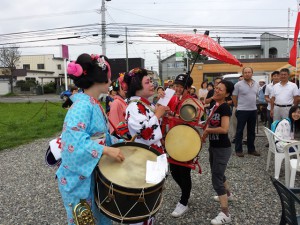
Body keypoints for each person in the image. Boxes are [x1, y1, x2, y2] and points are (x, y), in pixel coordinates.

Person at [56, 53, 125, 225]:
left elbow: (100, 138)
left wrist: (121, 144)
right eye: (108, 77)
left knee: (100, 214)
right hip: (78, 177)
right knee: (84, 219)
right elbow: (74, 142)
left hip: (90, 170)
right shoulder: (82, 106)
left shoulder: (92, 103)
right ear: (99, 78)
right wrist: (107, 150)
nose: (111, 81)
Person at [123, 67, 168, 225]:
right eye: (147, 82)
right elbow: (145, 133)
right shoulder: (134, 107)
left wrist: (159, 110)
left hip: (152, 156)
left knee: (152, 194)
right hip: (145, 159)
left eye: (151, 81)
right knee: (144, 195)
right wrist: (157, 115)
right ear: (137, 86)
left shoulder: (143, 104)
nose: (152, 84)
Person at [201, 80, 234, 225]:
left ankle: (225, 213)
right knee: (219, 172)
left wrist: (208, 130)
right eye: (216, 88)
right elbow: (210, 123)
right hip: (214, 146)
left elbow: (224, 129)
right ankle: (229, 194)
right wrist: (205, 134)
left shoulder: (225, 108)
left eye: (220, 89)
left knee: (216, 178)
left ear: (226, 93)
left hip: (222, 148)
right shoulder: (215, 105)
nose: (216, 90)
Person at [167, 74, 195, 218]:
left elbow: (192, 120)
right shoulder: (172, 98)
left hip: (186, 141)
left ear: (188, 89)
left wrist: (174, 115)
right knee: (173, 170)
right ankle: (186, 191)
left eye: (180, 86)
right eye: (175, 86)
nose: (177, 89)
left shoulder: (191, 102)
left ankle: (184, 201)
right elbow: (165, 111)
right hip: (173, 139)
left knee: (184, 172)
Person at [232, 67, 260, 157]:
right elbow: (234, 97)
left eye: (249, 72)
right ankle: (238, 150)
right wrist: (237, 106)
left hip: (253, 110)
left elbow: (256, 96)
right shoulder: (238, 85)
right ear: (243, 74)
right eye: (245, 72)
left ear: (252, 73)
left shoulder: (256, 84)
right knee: (239, 131)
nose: (247, 74)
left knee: (251, 131)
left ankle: (251, 149)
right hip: (242, 110)